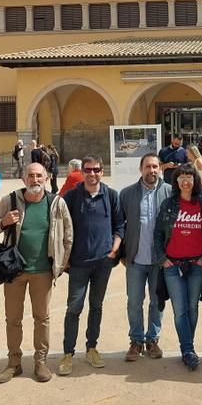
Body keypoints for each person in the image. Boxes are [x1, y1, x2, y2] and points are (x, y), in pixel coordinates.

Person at [0, 162, 73, 383]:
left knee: (41, 318)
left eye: (39, 176)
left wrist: (61, 265)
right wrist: (4, 222)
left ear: (46, 178)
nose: (34, 180)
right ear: (23, 179)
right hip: (13, 271)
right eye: (30, 175)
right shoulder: (11, 199)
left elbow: (68, 236)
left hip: (43, 272)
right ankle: (14, 363)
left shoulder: (56, 203)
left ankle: (40, 362)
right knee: (13, 319)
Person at [58, 155, 126, 376]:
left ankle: (92, 347)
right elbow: (59, 227)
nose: (92, 174)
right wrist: (64, 257)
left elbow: (119, 225)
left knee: (96, 306)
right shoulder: (71, 196)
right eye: (88, 170)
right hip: (78, 264)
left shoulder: (111, 195)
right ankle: (68, 353)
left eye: (96, 169)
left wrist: (113, 251)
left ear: (102, 171)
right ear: (83, 171)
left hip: (103, 263)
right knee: (74, 308)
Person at [154, 164, 202, 370]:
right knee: (180, 310)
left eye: (189, 177)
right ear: (176, 181)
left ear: (195, 180)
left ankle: (188, 347)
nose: (186, 181)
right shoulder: (168, 205)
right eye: (181, 177)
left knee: (192, 307)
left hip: (196, 265)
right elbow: (158, 233)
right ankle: (187, 350)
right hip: (173, 265)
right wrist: (162, 258)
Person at [118, 153, 172, 361]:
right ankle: (136, 340)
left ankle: (152, 340)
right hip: (135, 259)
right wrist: (122, 253)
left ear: (160, 169)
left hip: (160, 260)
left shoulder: (169, 192)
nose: (152, 171)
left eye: (155, 167)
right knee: (134, 302)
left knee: (157, 301)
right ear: (141, 169)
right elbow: (120, 226)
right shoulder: (127, 194)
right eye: (148, 167)